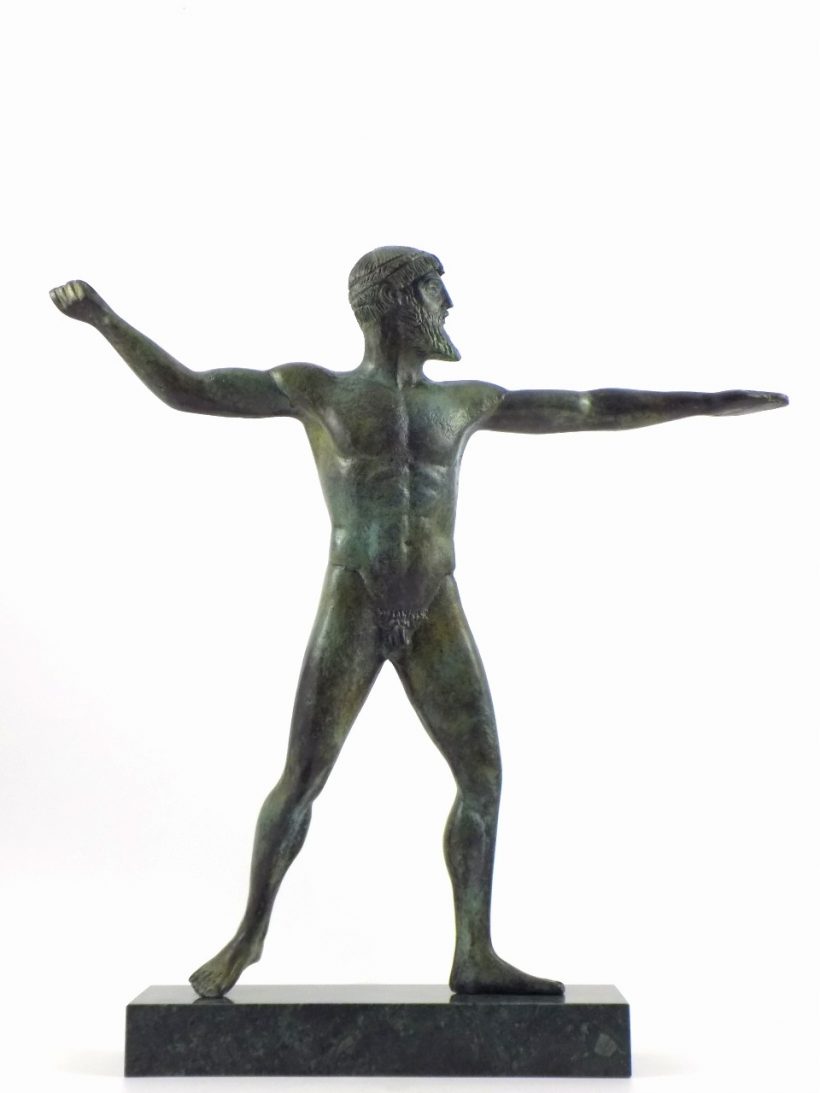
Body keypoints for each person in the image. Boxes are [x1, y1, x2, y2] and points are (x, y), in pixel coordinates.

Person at [50, 246, 787, 997]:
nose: (449, 306)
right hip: (356, 595)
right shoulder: (316, 390)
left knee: (482, 778)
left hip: (435, 600)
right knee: (302, 777)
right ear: (397, 301)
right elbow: (191, 389)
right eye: (436, 292)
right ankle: (248, 936)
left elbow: (587, 407)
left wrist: (707, 402)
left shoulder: (463, 401)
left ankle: (475, 952)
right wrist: (103, 318)